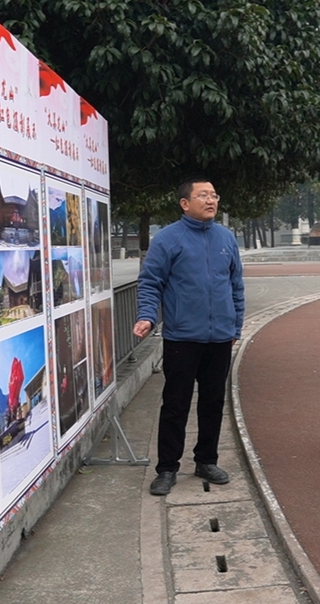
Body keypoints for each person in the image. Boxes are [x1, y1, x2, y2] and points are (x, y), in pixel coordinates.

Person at [134, 178, 245, 496]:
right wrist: (146, 315)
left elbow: (235, 284)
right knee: (175, 404)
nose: (211, 200)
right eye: (203, 195)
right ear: (185, 203)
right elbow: (150, 281)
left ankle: (206, 460)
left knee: (213, 402)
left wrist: (235, 325)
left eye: (214, 195)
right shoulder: (168, 239)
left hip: (220, 338)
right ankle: (167, 468)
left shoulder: (226, 237)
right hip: (182, 336)